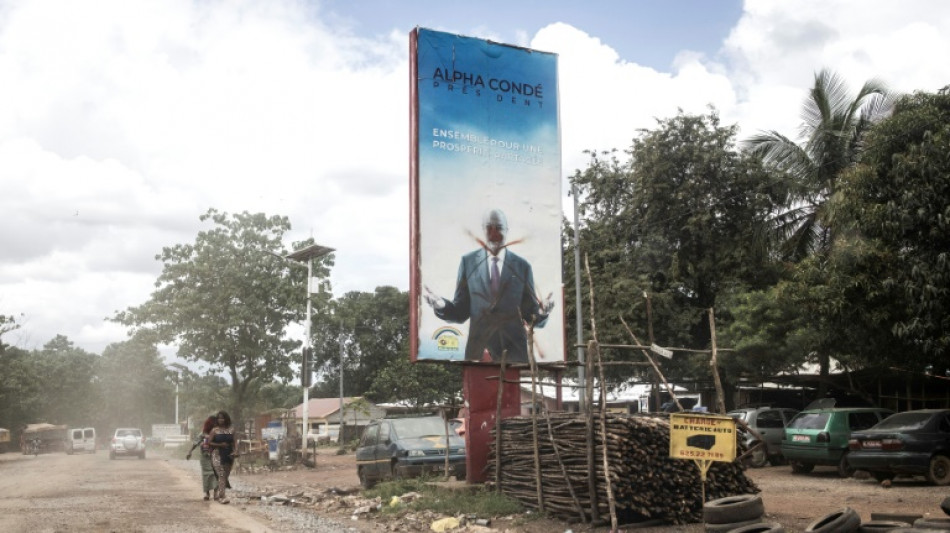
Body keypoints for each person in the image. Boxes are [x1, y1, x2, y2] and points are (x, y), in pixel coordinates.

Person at [424, 208, 554, 363]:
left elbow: (530, 314)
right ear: (482, 230)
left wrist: (542, 311)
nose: (494, 233)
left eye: (499, 227)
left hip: (514, 355)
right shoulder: (468, 262)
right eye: (489, 227)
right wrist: (440, 305)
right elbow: (460, 312)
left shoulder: (522, 266)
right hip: (478, 354)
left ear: (507, 230)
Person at [185, 416, 218, 501]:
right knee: (206, 475)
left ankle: (216, 493)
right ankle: (207, 493)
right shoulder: (202, 434)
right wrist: (189, 452)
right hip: (205, 457)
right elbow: (195, 443)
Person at [207, 410, 236, 504]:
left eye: (222, 418)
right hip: (217, 454)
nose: (221, 420)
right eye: (219, 418)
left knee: (224, 476)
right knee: (222, 474)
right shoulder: (214, 430)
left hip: (229, 455)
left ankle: (216, 491)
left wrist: (235, 451)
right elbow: (209, 442)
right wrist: (220, 445)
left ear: (226, 419)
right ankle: (222, 496)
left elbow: (234, 442)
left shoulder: (231, 429)